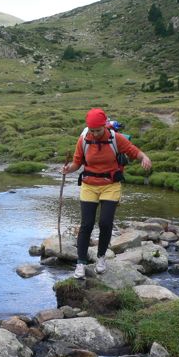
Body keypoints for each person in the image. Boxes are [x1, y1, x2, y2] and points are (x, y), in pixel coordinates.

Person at [61, 108, 152, 279]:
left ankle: (101, 258)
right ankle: (80, 263)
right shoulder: (83, 140)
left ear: (105, 126)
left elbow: (134, 151)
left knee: (105, 222)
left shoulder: (115, 138)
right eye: (92, 130)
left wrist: (144, 158)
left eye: (98, 130)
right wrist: (68, 169)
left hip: (110, 185)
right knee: (86, 224)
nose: (95, 134)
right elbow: (77, 163)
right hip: (89, 185)